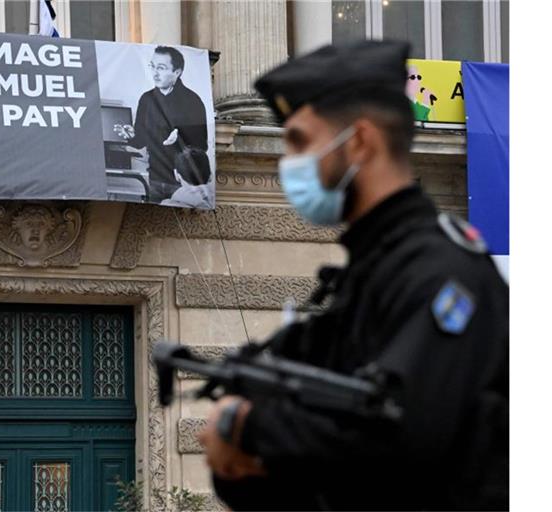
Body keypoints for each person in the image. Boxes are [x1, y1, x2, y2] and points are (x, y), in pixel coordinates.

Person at [197, 40, 509, 511]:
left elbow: (401, 442)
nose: (289, 164)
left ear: (360, 142)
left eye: (301, 141)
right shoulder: (361, 280)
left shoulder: (442, 274)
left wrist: (245, 426)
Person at [114, 46, 208, 203]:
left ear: (177, 72)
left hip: (183, 182)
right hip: (154, 179)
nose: (155, 73)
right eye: (153, 66)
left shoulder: (192, 101)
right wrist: (131, 136)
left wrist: (180, 139)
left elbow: (201, 147)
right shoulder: (147, 99)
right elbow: (141, 141)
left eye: (162, 68)